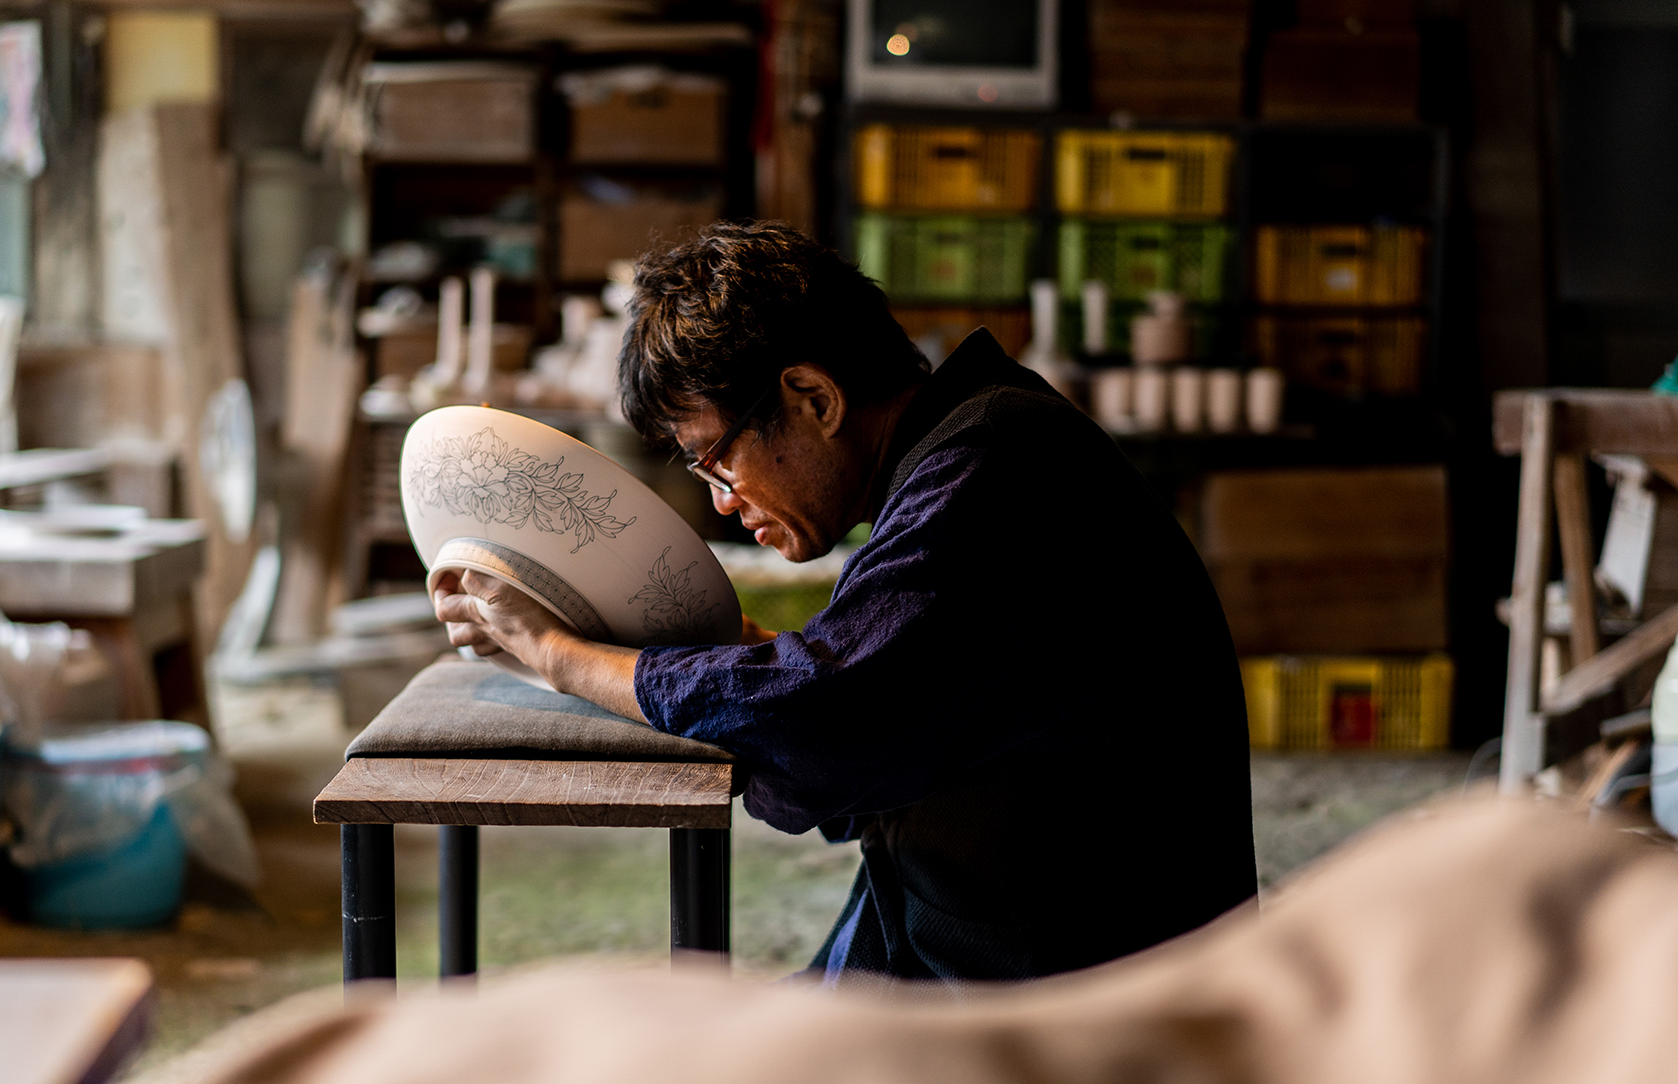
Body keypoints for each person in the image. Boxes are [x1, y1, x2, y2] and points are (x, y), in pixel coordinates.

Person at [434, 221, 1258, 984]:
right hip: (986, 918)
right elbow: (875, 683)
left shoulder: (991, 472)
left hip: (1079, 984)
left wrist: (556, 654)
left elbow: (826, 718)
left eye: (716, 458)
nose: (723, 500)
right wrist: (708, 658)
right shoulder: (970, 445)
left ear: (814, 398)